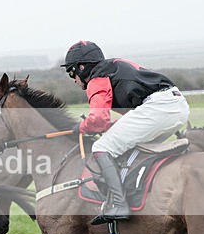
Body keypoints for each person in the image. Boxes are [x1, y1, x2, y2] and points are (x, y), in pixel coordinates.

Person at [61, 40, 190, 224]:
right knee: (133, 148)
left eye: (71, 72)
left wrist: (81, 128)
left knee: (101, 147)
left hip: (158, 108)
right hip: (177, 107)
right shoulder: (113, 68)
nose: (73, 79)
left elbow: (98, 120)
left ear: (81, 68)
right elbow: (128, 117)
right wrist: (111, 125)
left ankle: (119, 204)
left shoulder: (97, 78)